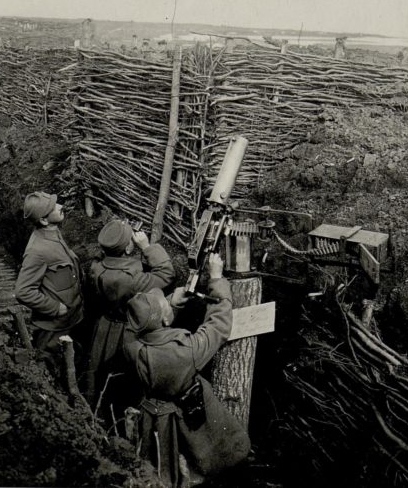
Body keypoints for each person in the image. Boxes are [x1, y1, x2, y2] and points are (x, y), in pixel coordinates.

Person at [123, 253, 250, 487]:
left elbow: (140, 324)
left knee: (159, 466)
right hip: (185, 415)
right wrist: (217, 279)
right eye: (164, 305)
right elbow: (217, 326)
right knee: (202, 458)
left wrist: (169, 303)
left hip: (152, 413)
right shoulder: (184, 351)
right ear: (164, 321)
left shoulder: (131, 344)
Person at [85, 219, 175, 411]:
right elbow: (166, 273)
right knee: (126, 380)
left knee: (101, 374)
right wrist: (147, 247)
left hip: (104, 328)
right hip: (128, 332)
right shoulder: (132, 279)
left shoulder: (96, 267)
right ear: (127, 250)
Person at [14, 192, 83, 367]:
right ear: (44, 220)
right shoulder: (37, 250)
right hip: (53, 329)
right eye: (53, 207)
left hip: (71, 319)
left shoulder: (52, 232)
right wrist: (55, 307)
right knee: (55, 368)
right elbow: (23, 291)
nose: (60, 206)